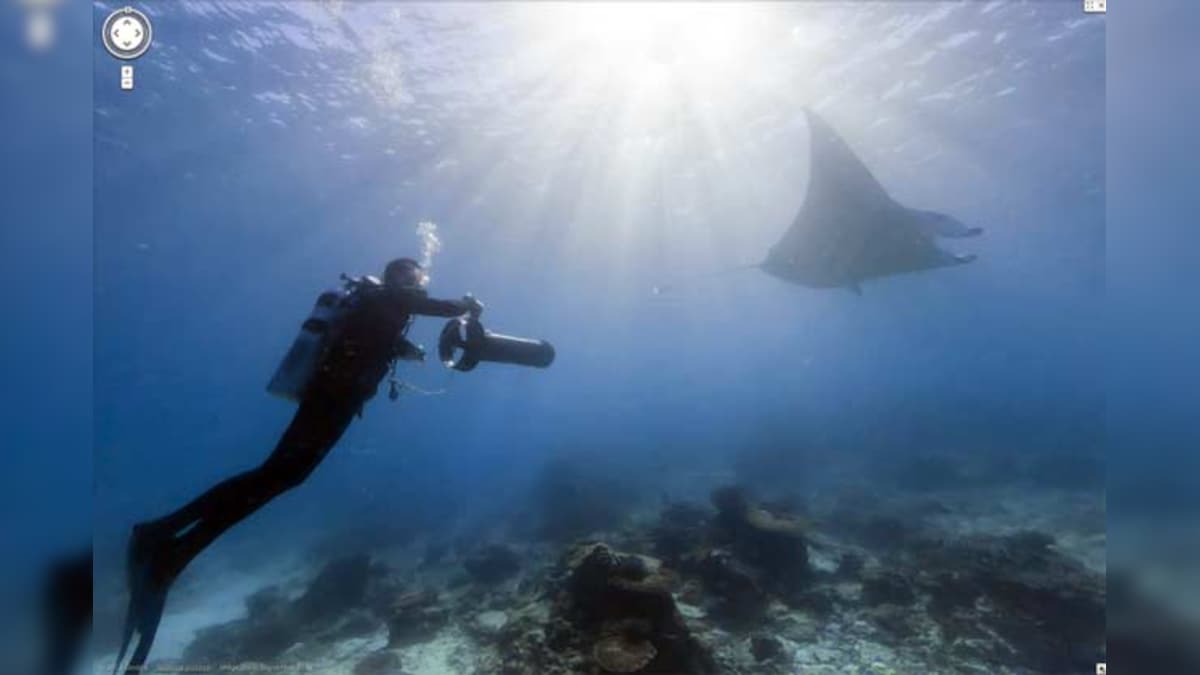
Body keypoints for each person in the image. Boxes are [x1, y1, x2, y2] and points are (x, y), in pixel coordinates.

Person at [112, 258, 479, 675]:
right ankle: (162, 536)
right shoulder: (386, 298)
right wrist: (464, 306)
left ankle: (175, 548)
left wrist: (400, 348)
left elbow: (371, 339)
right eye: (415, 277)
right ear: (401, 277)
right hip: (331, 399)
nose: (419, 284)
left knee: (279, 476)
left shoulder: (384, 307)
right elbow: (417, 307)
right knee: (275, 474)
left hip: (337, 399)